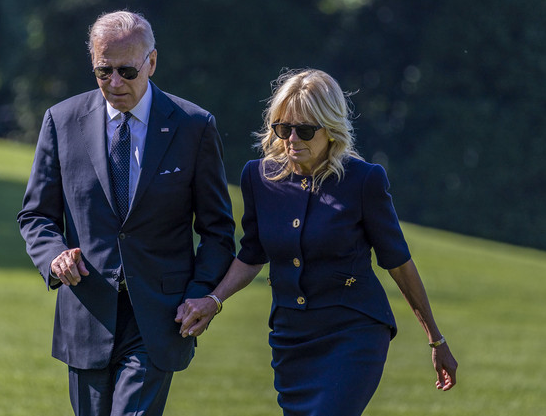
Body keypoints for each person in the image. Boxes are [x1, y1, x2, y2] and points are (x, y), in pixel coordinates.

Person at [175, 68, 458, 416]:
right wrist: (213, 300)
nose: (292, 139)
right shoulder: (257, 177)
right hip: (291, 339)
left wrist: (435, 339)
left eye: (305, 130)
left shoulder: (364, 180)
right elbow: (251, 255)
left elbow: (398, 262)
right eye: (283, 128)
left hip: (354, 333)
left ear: (331, 129)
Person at [17, 10, 235, 416]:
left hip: (159, 317)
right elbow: (36, 216)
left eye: (127, 71)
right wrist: (54, 257)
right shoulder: (61, 121)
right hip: (87, 314)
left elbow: (218, 230)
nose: (115, 83)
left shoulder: (194, 126)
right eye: (104, 71)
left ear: (152, 62)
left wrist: (201, 294)